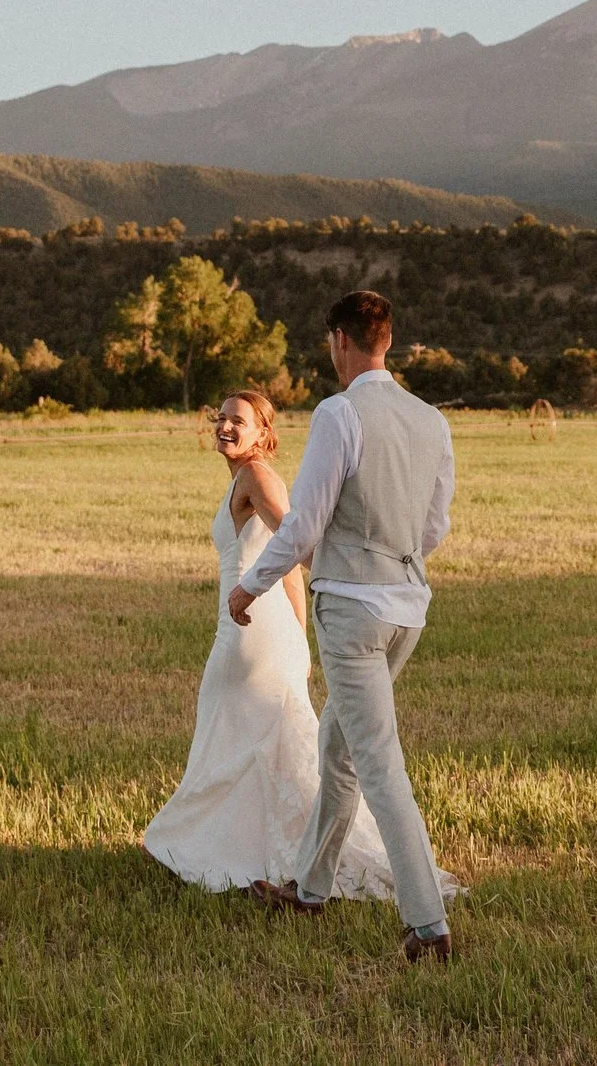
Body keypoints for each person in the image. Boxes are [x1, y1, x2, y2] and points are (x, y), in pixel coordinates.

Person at [230, 290, 459, 963]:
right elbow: (434, 528)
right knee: (340, 748)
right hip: (407, 610)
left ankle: (427, 924)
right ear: (386, 339)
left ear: (339, 341)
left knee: (379, 762)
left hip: (353, 612)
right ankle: (309, 890)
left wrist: (251, 584)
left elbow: (304, 523)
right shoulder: (430, 419)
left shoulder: (339, 412)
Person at [141, 388, 439, 904]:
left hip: (250, 628)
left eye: (239, 421)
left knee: (227, 731)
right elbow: (288, 562)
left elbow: (301, 550)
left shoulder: (257, 477)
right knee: (247, 737)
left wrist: (308, 625)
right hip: (259, 624)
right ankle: (258, 851)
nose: (225, 427)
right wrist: (301, 641)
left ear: (264, 434)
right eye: (221, 418)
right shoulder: (242, 478)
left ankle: (194, 845)